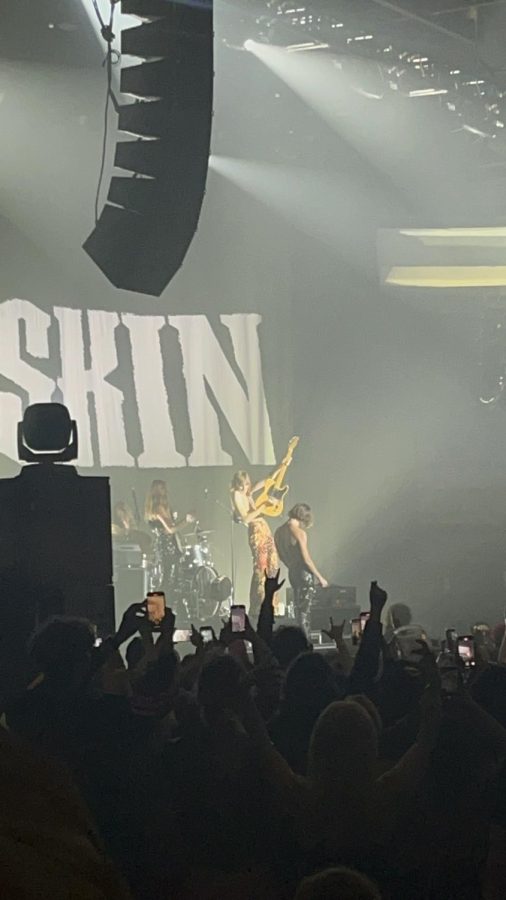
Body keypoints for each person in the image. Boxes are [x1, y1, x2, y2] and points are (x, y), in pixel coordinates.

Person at [230, 470, 279, 617]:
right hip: (256, 530)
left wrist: (279, 469)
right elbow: (245, 518)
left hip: (264, 528)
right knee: (261, 566)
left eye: (247, 484)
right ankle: (258, 607)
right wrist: (262, 507)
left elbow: (265, 481)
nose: (245, 487)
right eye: (243, 485)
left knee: (273, 566)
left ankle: (272, 605)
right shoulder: (237, 495)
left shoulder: (247, 492)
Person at [274, 503, 328, 631]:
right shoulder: (299, 533)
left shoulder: (279, 532)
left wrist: (291, 566)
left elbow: (281, 555)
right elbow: (307, 560)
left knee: (298, 609)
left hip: (292, 572)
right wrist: (320, 577)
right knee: (304, 613)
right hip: (303, 573)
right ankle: (306, 641)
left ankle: (300, 640)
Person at [145, 480, 194, 595]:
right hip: (166, 546)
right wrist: (186, 520)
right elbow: (171, 529)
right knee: (167, 580)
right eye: (162, 488)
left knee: (169, 579)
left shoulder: (160, 508)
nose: (165, 491)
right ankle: (158, 610)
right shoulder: (158, 508)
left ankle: (162, 609)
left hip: (168, 545)